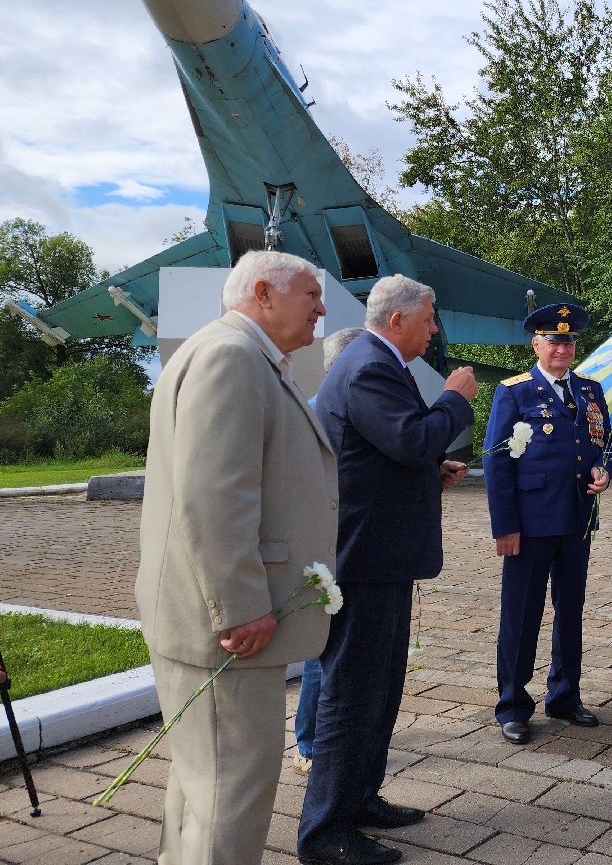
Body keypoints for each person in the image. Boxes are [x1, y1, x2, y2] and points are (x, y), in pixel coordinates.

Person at [135, 250, 337, 865]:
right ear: (263, 294)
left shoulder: (234, 353)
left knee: (203, 785)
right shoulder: (231, 356)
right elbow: (214, 498)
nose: (322, 308)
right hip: (225, 627)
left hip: (204, 618)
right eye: (310, 294)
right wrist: (242, 605)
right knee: (231, 792)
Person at [297, 276, 476, 865]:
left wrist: (432, 470)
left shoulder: (374, 361)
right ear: (397, 319)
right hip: (365, 560)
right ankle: (326, 832)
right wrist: (455, 399)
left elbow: (386, 454)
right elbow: (408, 439)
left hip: (381, 556)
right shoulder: (370, 363)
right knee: (352, 694)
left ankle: (359, 799)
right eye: (428, 319)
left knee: (378, 687)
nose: (433, 330)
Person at [483, 303, 612, 745]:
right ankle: (513, 705)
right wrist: (505, 526)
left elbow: (602, 445)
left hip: (576, 520)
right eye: (554, 340)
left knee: (570, 611)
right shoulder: (515, 392)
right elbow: (497, 462)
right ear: (536, 344)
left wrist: (603, 471)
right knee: (521, 615)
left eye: (569, 340)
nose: (563, 347)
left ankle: (565, 694)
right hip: (531, 522)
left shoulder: (591, 391)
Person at [293, 326, 365, 777]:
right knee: (323, 651)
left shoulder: (343, 410)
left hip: (353, 544)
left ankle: (335, 737)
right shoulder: (320, 414)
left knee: (340, 649)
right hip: (330, 546)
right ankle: (311, 745)